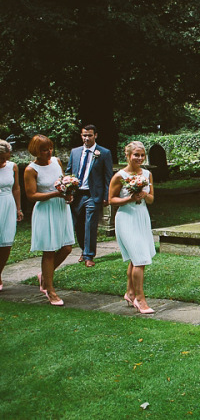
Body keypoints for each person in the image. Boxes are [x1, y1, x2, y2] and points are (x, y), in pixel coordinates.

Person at [23, 135, 74, 306]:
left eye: (50, 148)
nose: (48, 152)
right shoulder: (31, 169)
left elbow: (63, 182)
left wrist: (68, 194)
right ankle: (50, 290)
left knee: (67, 248)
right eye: (44, 150)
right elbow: (31, 196)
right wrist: (54, 194)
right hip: (45, 210)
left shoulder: (57, 162)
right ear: (36, 151)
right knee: (49, 250)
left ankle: (44, 276)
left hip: (61, 208)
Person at [109, 141, 156, 314]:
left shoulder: (147, 174)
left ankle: (129, 293)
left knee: (136, 257)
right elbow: (111, 200)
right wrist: (129, 198)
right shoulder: (119, 176)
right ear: (127, 156)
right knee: (140, 259)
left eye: (142, 155)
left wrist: (144, 194)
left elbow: (151, 199)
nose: (140, 158)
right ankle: (140, 299)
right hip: (126, 218)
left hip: (141, 216)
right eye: (136, 154)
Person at [66, 124, 113, 267]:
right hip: (77, 194)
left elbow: (108, 177)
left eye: (90, 135)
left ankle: (89, 255)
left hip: (93, 194)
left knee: (90, 224)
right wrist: (67, 189)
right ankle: (83, 249)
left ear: (95, 135)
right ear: (81, 135)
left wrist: (107, 196)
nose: (87, 138)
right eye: (84, 135)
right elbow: (69, 172)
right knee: (78, 225)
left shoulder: (104, 153)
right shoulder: (75, 152)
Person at [0, 140, 24, 291]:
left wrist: (18, 208)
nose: (4, 161)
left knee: (6, 242)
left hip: (8, 204)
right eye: (1, 158)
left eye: (6, 158)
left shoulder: (12, 166)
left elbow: (16, 188)